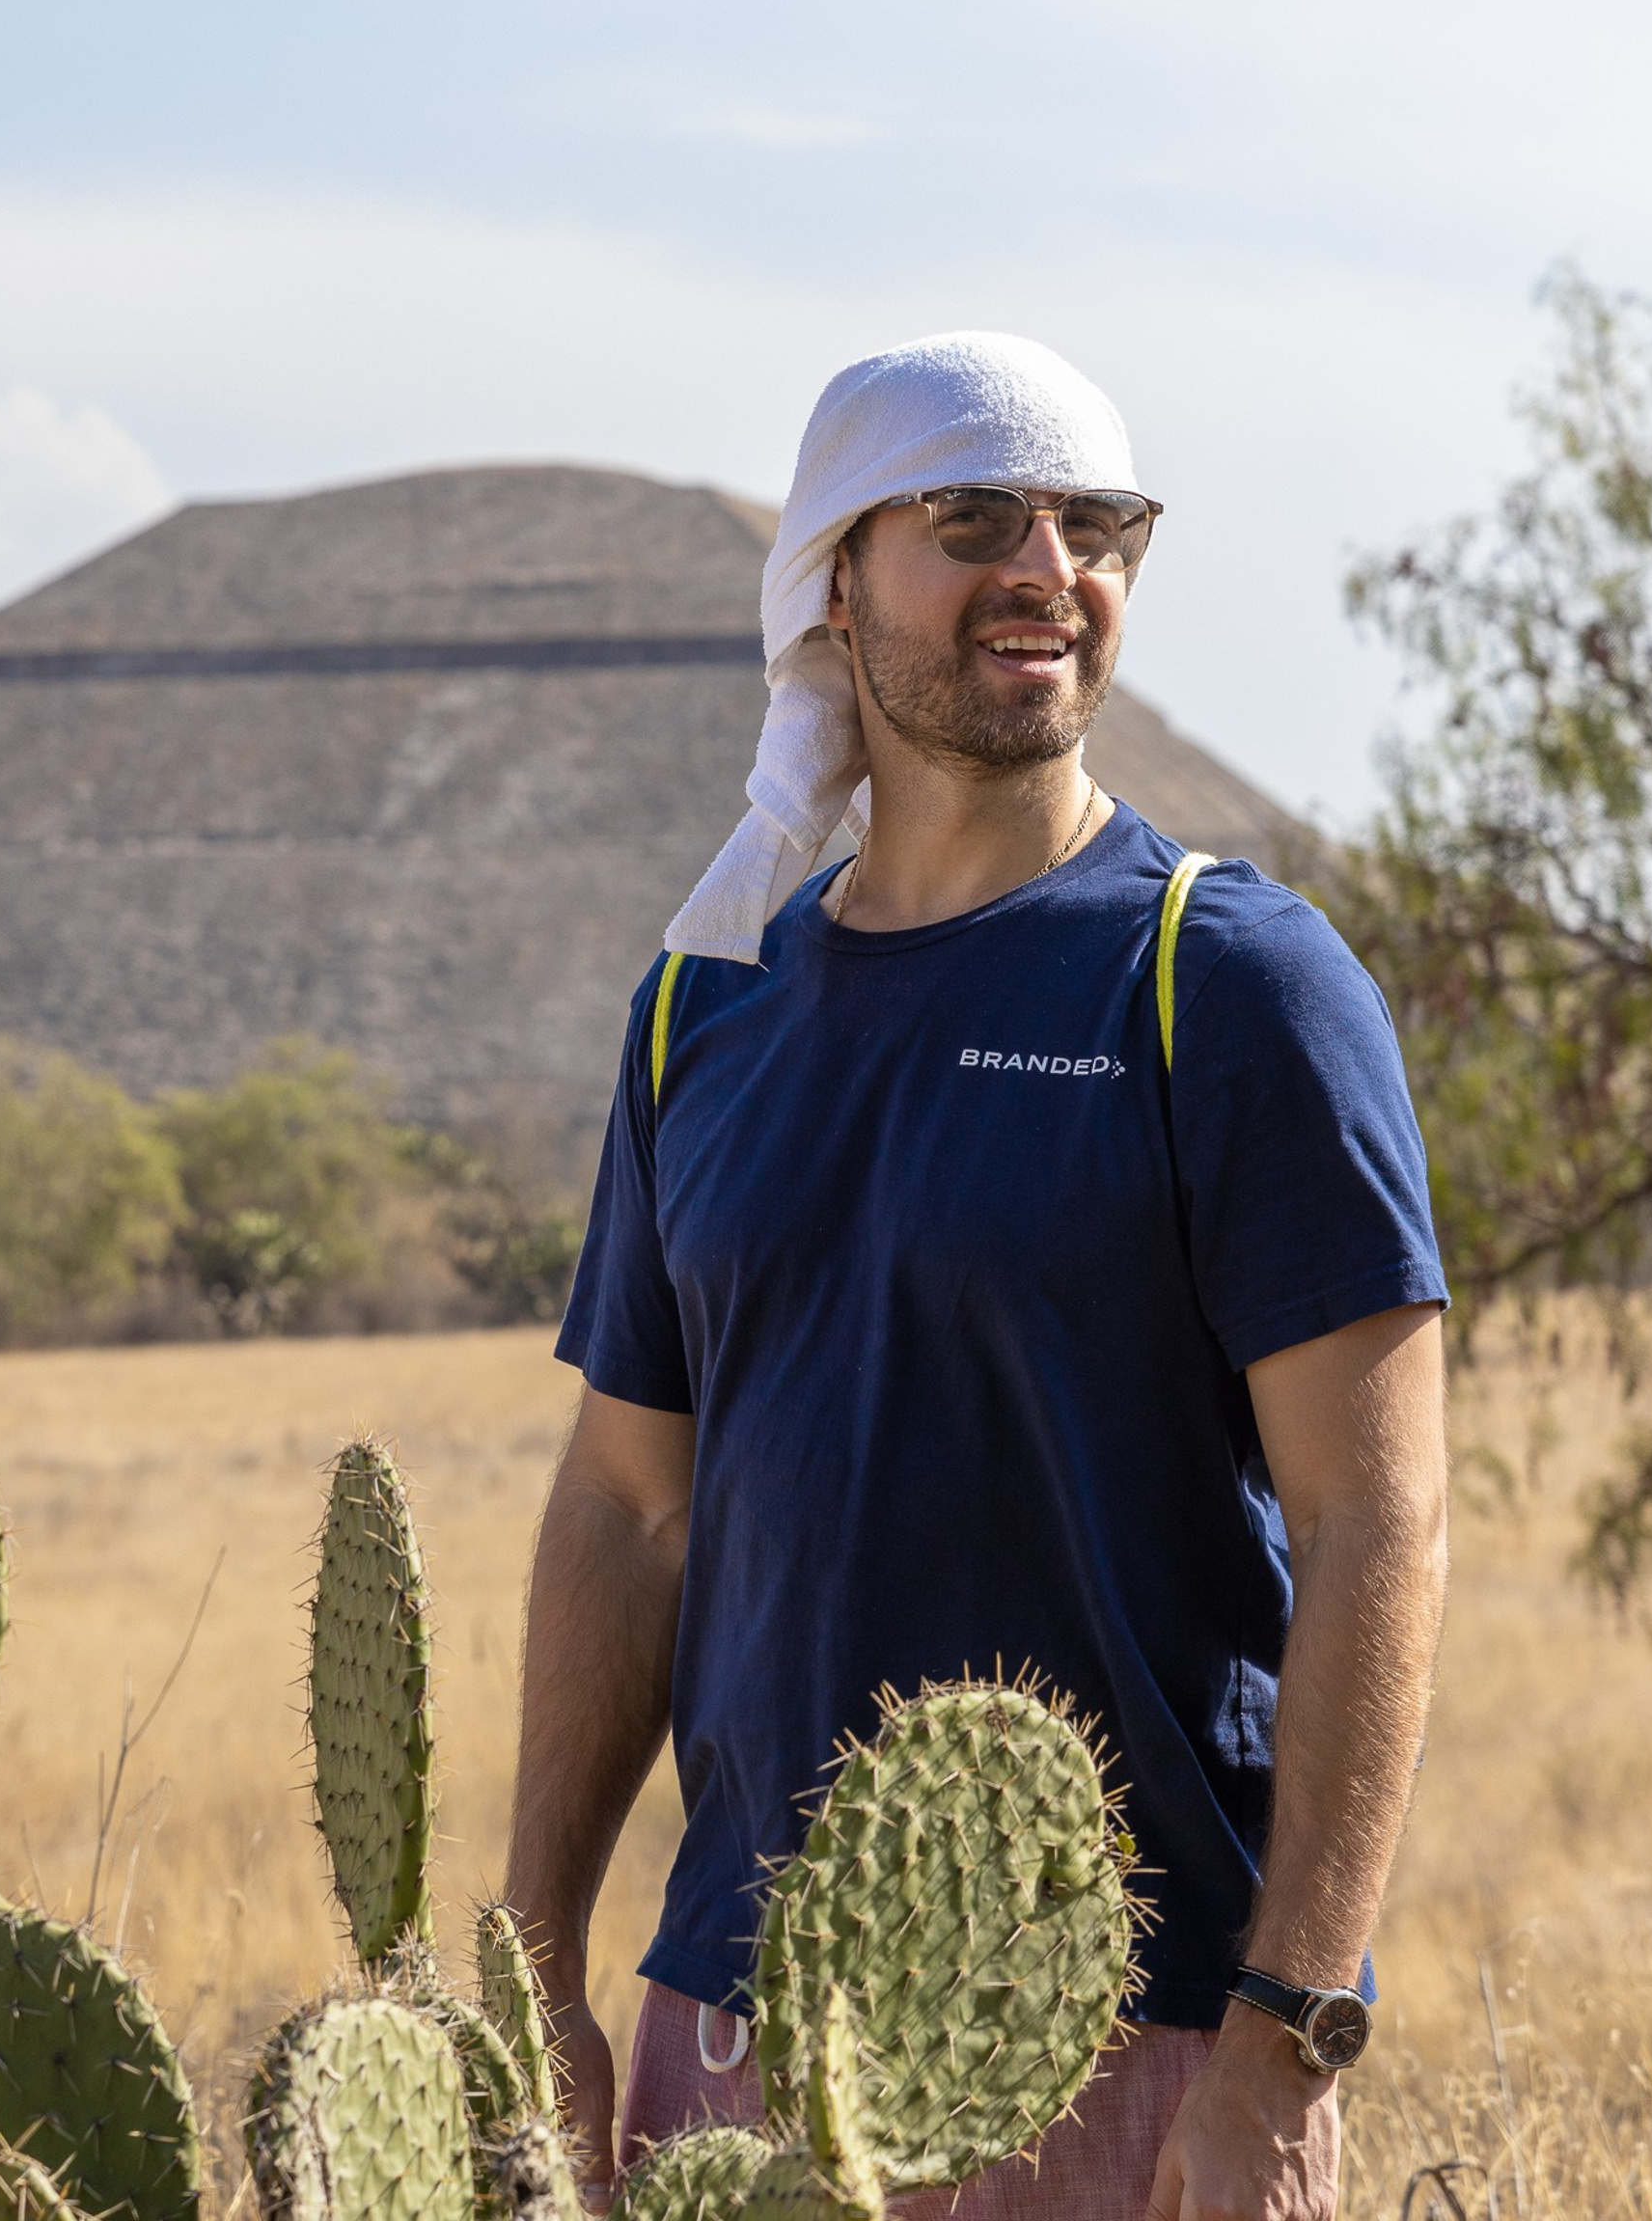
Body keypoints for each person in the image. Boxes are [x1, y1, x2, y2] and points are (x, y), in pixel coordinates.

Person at [504, 333, 1448, 2221]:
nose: (1047, 562)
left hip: (1133, 2049)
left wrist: (1278, 2039)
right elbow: (624, 1503)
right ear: (833, 585)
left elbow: (1377, 1518)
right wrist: (534, 1964)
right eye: (969, 516)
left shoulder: (1227, 981)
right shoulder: (708, 1012)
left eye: (1095, 520)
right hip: (732, 2035)